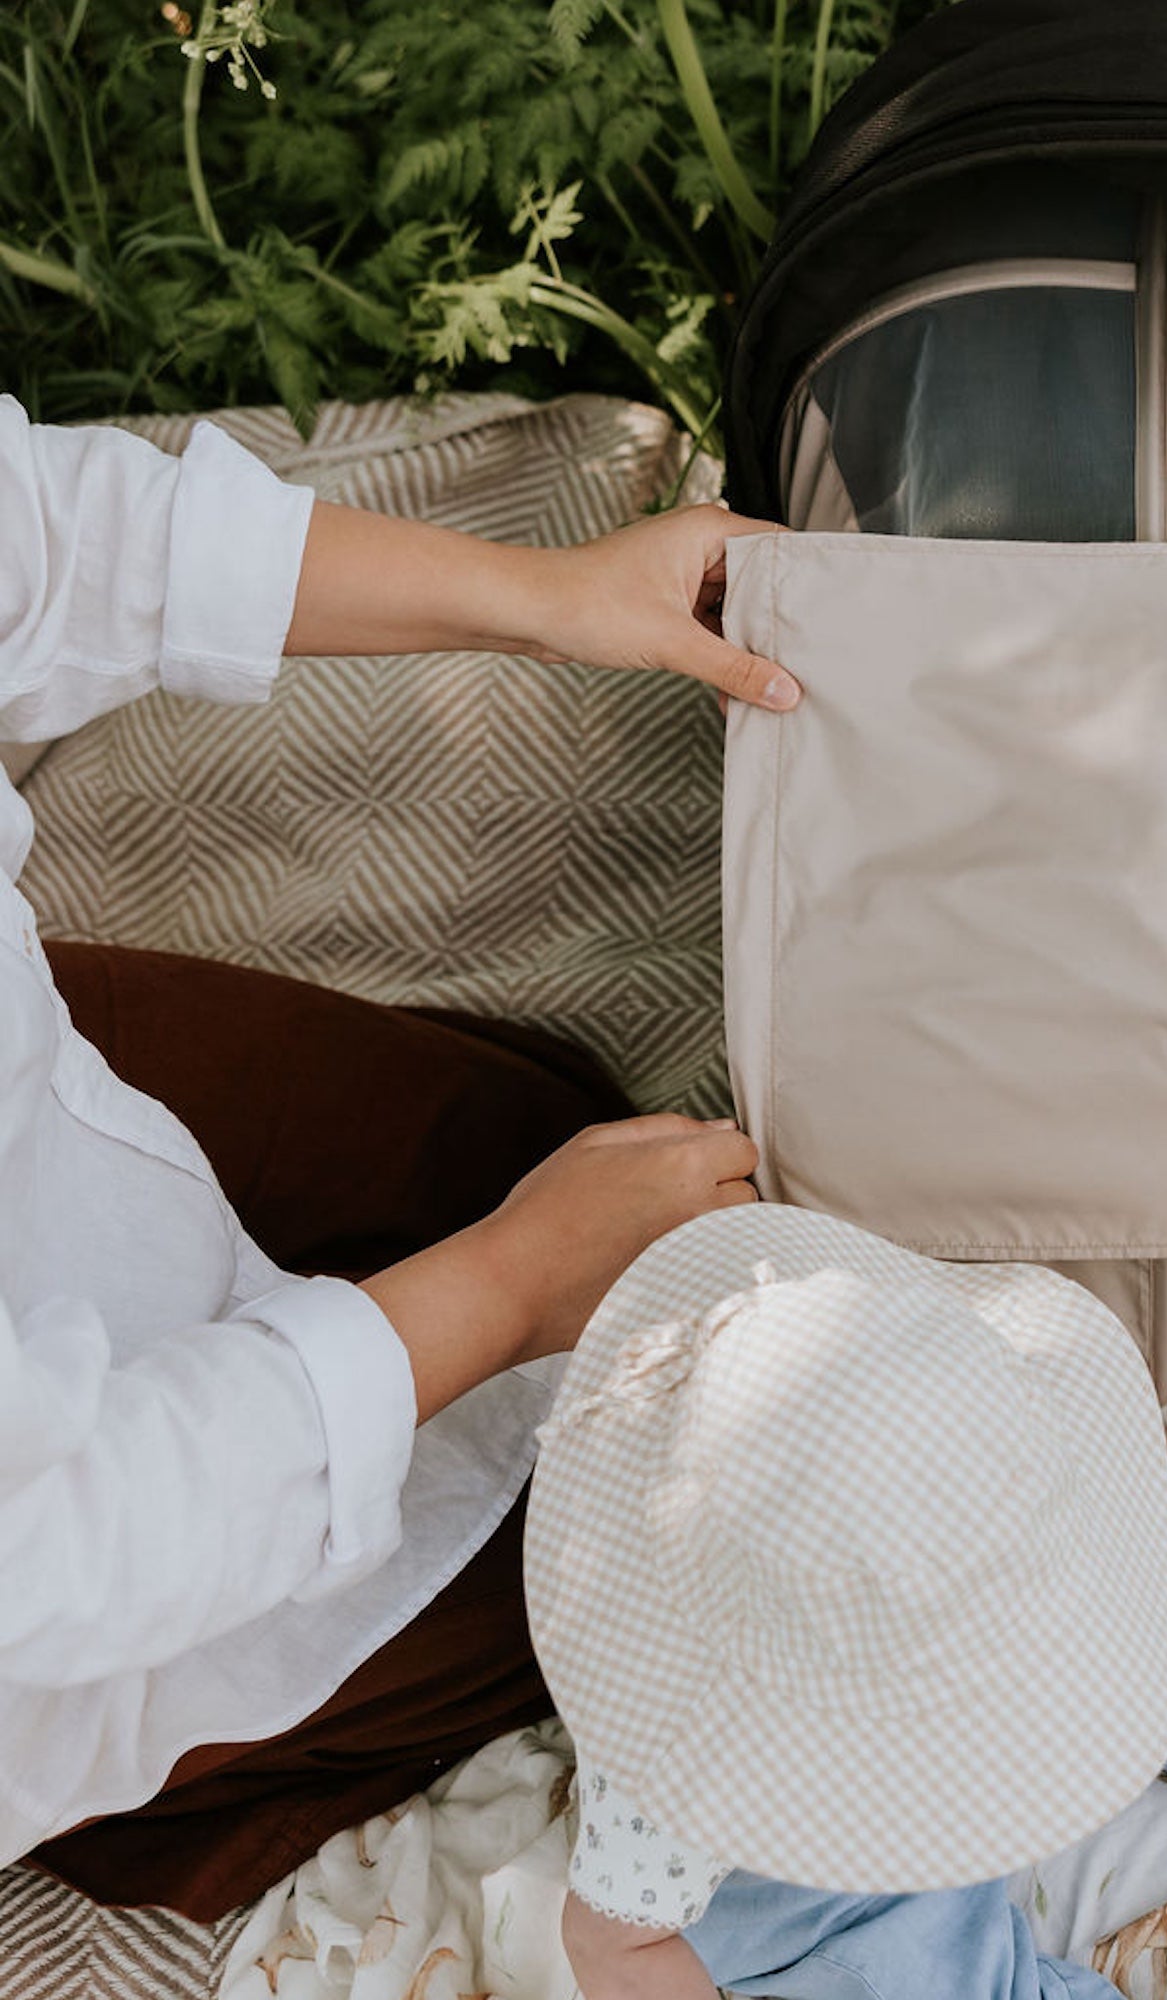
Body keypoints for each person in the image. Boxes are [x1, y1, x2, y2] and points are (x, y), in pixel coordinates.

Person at [0, 393, 798, 1916]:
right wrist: (506, 1288)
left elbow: (47, 536)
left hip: (42, 1108)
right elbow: (58, 1543)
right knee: (598, 1531)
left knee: (527, 1124)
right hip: (52, 1611)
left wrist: (552, 600)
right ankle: (153, 1802)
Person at [526, 1202, 1167, 2000]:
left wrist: (1137, 1519)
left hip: (982, 1644)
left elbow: (1032, 1463)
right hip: (821, 1886)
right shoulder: (669, 1768)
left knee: (1124, 1627)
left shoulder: (874, 1380)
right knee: (923, 1972)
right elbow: (613, 1943)